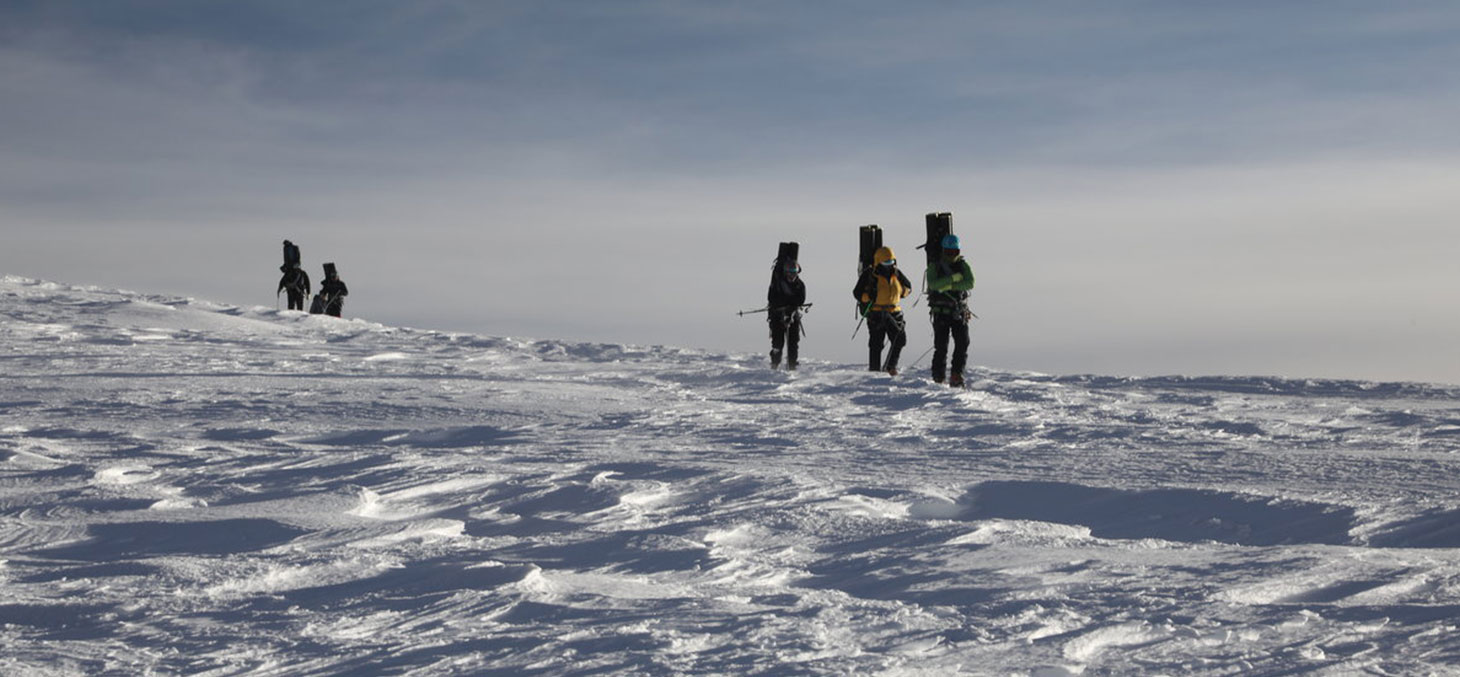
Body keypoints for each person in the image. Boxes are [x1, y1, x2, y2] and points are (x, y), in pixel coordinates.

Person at [926, 233, 975, 387]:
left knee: (963, 343)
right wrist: (954, 279)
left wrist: (947, 285)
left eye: (955, 252)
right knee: (941, 346)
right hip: (941, 313)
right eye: (949, 252)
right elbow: (933, 285)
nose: (952, 255)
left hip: (957, 312)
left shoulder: (962, 265)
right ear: (943, 251)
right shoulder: (935, 266)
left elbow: (970, 283)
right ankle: (939, 377)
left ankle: (956, 374)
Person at [853, 246, 911, 375]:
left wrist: (901, 292)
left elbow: (908, 287)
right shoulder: (869, 274)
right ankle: (875, 371)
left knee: (899, 339)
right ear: (878, 262)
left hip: (894, 312)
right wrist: (868, 297)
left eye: (891, 262)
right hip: (876, 313)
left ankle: (890, 367)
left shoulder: (896, 273)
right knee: (876, 343)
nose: (889, 265)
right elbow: (857, 293)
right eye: (886, 262)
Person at [766, 258, 807, 370]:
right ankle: (775, 363)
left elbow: (801, 300)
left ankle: (792, 365)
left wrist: (791, 309)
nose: (792, 275)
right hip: (777, 316)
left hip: (793, 316)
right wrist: (784, 305)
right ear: (785, 272)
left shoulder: (800, 285)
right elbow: (771, 298)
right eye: (790, 272)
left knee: (793, 343)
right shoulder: (777, 284)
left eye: (794, 272)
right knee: (777, 343)